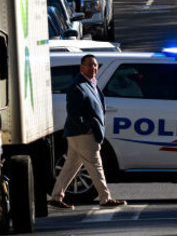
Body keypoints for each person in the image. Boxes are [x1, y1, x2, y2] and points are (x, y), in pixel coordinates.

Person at [48, 54, 126, 209]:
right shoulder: (77, 86)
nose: (93, 68)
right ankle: (105, 198)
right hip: (82, 134)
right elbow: (73, 112)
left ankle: (56, 197)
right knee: (96, 165)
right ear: (81, 67)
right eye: (89, 65)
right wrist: (87, 128)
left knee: (70, 166)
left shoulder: (91, 83)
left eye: (95, 65)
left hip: (79, 134)